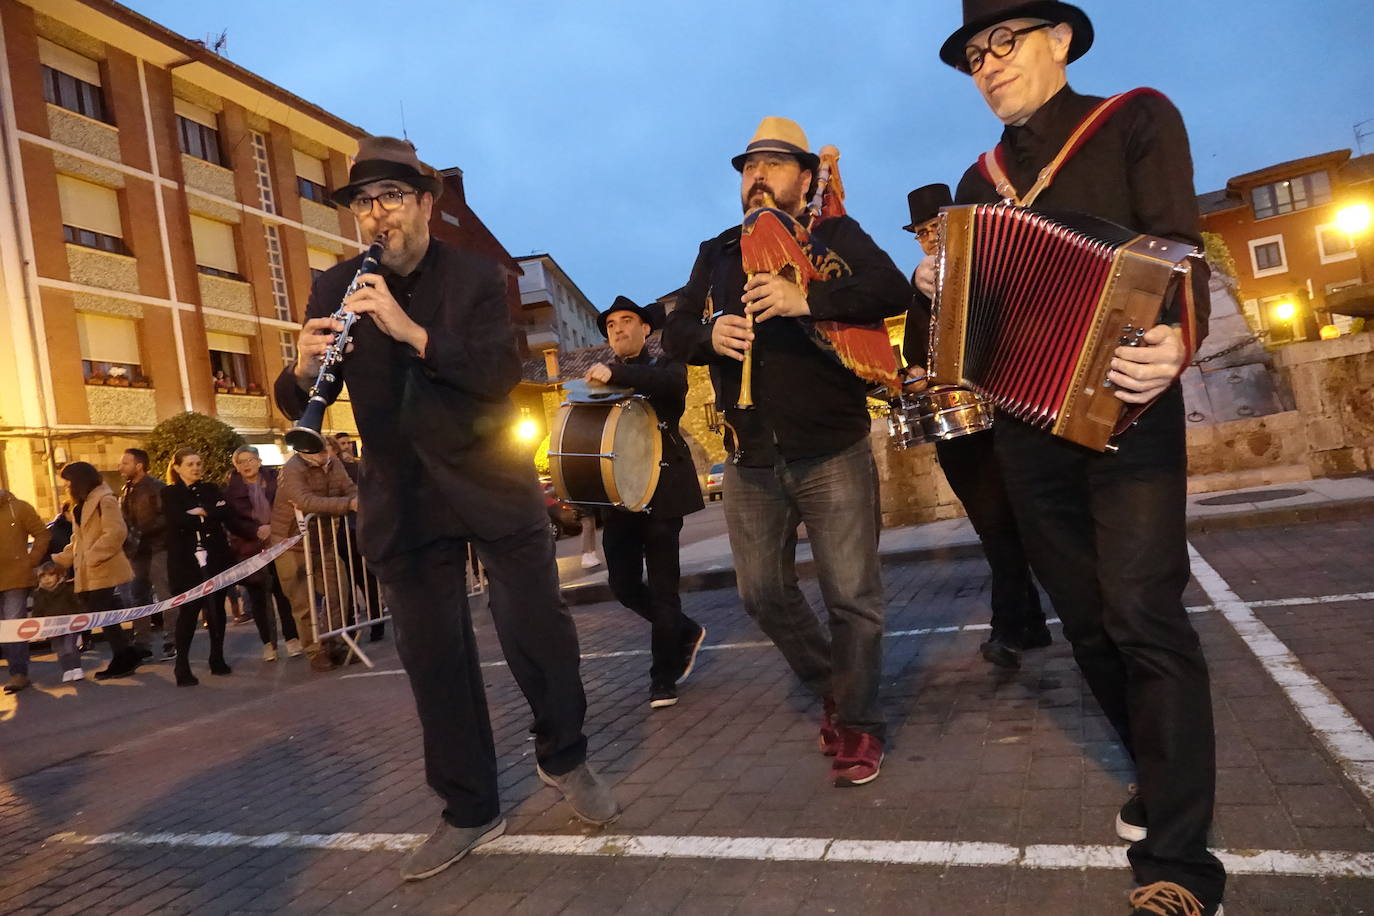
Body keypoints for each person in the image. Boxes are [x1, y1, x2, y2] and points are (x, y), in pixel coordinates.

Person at [918, 3, 1221, 913]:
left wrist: (1178, 341)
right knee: (1086, 620)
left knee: (1142, 612)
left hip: (1128, 407)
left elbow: (1181, 252)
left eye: (1003, 42)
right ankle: (1159, 777)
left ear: (1058, 38)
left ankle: (1179, 864)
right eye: (974, 54)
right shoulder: (974, 185)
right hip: (1026, 425)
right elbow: (965, 339)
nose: (987, 64)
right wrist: (938, 288)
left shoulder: (1135, 117)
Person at [275, 136, 616, 881]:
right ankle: (469, 809)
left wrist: (408, 329)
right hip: (402, 493)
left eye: (392, 198)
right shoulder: (333, 285)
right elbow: (304, 399)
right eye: (364, 202)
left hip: (488, 475)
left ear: (426, 204)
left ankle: (567, 757)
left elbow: (497, 373)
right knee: (435, 661)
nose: (377, 214)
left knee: (538, 631)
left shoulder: (475, 275)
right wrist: (299, 371)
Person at [662, 117, 910, 787]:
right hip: (751, 459)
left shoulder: (832, 236)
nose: (756, 178)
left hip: (831, 447)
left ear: (804, 178)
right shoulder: (717, 252)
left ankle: (859, 723)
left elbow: (894, 290)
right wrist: (711, 334)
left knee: (853, 597)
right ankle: (835, 683)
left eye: (772, 165)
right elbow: (675, 332)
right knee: (763, 595)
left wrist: (809, 298)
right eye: (748, 167)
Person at [899, 183, 1051, 669]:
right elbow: (912, 356)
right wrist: (914, 376)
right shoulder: (920, 288)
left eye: (935, 228)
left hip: (1003, 420)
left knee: (1007, 526)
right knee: (995, 527)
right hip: (956, 428)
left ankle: (1013, 628)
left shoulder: (987, 269)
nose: (927, 239)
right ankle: (1026, 626)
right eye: (921, 232)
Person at [585, 296, 707, 709]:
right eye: (610, 325)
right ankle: (685, 631)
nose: (618, 329)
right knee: (622, 585)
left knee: (662, 590)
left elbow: (671, 387)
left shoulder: (665, 365)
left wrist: (617, 372)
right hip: (618, 498)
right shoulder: (596, 384)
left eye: (627, 321)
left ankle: (663, 677)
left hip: (662, 493)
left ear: (645, 330)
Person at [269, 442, 357, 671]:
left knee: (338, 591)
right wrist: (349, 504)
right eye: (318, 448)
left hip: (323, 542)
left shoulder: (335, 464)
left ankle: (335, 642)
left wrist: (356, 499)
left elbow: (349, 488)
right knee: (302, 601)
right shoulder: (292, 468)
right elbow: (304, 501)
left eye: (326, 447)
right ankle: (314, 650)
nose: (324, 453)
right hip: (292, 545)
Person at [52, 462, 140, 680]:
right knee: (102, 613)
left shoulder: (105, 500)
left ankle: (124, 656)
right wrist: (59, 560)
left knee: (102, 612)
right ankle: (126, 654)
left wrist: (92, 555)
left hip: (104, 567)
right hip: (89, 569)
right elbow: (77, 540)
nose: (65, 486)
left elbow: (116, 532)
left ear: (79, 480)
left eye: (68, 482)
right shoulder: (80, 505)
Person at [162, 448, 235, 686]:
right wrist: (207, 516)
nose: (195, 468)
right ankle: (181, 665)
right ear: (177, 468)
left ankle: (217, 657)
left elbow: (225, 511)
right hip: (186, 563)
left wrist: (203, 513)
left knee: (216, 609)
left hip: (215, 558)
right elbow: (178, 519)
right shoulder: (170, 493)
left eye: (198, 463)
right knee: (189, 612)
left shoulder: (210, 489)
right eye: (190, 464)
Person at [224, 446, 301, 662]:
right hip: (249, 548)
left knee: (284, 592)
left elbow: (285, 506)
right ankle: (269, 643)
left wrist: (272, 527)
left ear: (259, 461)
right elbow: (232, 520)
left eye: (250, 460)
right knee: (258, 598)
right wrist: (255, 530)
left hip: (279, 541)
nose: (247, 465)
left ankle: (292, 638)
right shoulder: (231, 490)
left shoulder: (276, 480)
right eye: (241, 462)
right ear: (236, 466)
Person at [118, 447, 173, 661]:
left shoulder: (156, 487)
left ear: (138, 465)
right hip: (136, 552)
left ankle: (172, 641)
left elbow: (166, 518)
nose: (120, 467)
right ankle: (142, 643)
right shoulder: (127, 489)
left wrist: (143, 530)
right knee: (138, 597)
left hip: (158, 548)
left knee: (166, 596)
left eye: (125, 463)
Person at [1, 487, 51, 693]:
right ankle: (16, 671)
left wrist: (30, 561)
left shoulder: (18, 508)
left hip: (16, 579)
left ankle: (18, 673)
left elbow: (42, 534)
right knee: (4, 630)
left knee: (13, 627)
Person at [32, 562, 84, 683]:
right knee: (60, 650)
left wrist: (79, 619)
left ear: (58, 576)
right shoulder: (39, 594)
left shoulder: (67, 589)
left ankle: (77, 668)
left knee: (70, 647)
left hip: (70, 625)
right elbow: (37, 612)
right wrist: (39, 628)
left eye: (50, 575)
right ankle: (67, 670)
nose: (47, 579)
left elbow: (77, 605)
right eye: (43, 576)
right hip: (53, 628)